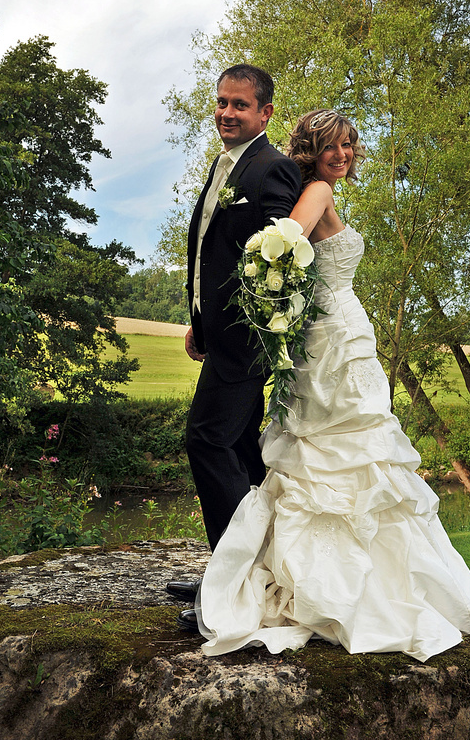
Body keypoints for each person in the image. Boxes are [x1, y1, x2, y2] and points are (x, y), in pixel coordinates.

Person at [192, 109, 470, 660]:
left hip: (339, 333)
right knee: (342, 448)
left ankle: (330, 576)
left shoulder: (316, 189)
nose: (343, 154)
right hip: (331, 335)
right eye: (333, 145)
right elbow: (276, 246)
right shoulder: (318, 191)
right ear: (311, 147)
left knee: (344, 448)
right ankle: (349, 586)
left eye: (350, 145)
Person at [166, 65, 302, 632]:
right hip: (219, 336)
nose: (226, 112)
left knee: (207, 440)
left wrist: (244, 330)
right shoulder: (227, 167)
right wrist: (199, 320)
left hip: (246, 342)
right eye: (222, 102)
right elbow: (210, 254)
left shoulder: (271, 170)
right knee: (244, 456)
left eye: (239, 105)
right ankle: (246, 570)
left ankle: (230, 584)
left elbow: (280, 263)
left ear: (265, 113)